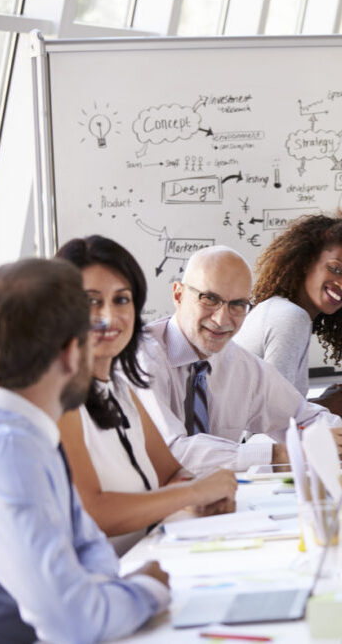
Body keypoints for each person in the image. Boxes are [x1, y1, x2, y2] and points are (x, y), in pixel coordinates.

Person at [0, 258, 169, 642]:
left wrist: (106, 593)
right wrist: (147, 590)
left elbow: (90, 549)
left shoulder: (30, 433)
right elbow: (74, 621)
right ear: (73, 352)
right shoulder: (9, 449)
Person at [55, 236, 237, 555]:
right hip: (104, 584)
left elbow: (170, 472)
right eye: (90, 301)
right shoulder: (58, 399)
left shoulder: (119, 386)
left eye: (121, 300)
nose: (109, 317)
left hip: (150, 556)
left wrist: (202, 496)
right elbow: (94, 513)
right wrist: (193, 494)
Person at [137, 245, 342, 475]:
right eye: (209, 298)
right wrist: (280, 454)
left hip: (219, 501)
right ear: (178, 294)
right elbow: (170, 452)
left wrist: (332, 438)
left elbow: (304, 414)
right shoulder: (141, 359)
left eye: (237, 305)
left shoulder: (240, 365)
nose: (221, 319)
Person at [234, 212, 342, 420]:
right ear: (305, 262)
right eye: (335, 269)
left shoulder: (281, 310)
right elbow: (271, 419)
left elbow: (271, 408)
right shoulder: (290, 317)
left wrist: (325, 402)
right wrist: (328, 407)